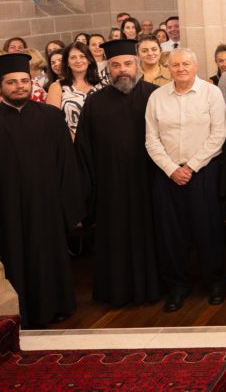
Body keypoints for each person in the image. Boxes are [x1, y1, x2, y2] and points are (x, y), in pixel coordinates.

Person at [0, 53, 88, 328]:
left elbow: (67, 164)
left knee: (49, 255)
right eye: (12, 82)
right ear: (1, 86)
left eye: (24, 80)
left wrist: (70, 207)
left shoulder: (50, 116)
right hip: (8, 209)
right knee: (15, 256)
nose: (19, 86)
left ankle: (56, 305)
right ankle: (20, 312)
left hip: (47, 205)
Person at [74, 40, 161, 308]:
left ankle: (157, 287)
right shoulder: (95, 102)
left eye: (127, 64)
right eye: (115, 65)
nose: (122, 70)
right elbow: (84, 151)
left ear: (137, 64)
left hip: (151, 184)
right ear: (107, 69)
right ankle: (117, 291)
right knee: (115, 239)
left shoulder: (155, 95)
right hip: (111, 188)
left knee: (154, 236)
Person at [145, 48, 226, 312]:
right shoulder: (157, 97)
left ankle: (215, 282)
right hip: (168, 174)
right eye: (175, 65)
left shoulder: (211, 93)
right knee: (171, 234)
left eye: (186, 64)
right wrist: (172, 169)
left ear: (195, 66)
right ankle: (177, 287)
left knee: (208, 230)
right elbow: (151, 139)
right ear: (168, 68)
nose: (181, 69)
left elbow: (219, 134)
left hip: (203, 172)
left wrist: (191, 166)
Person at [46, 41, 101, 138]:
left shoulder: (100, 85)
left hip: (100, 141)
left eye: (82, 56)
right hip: (70, 143)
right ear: (67, 62)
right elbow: (52, 120)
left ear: (89, 60)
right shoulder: (57, 87)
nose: (78, 60)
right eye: (73, 57)